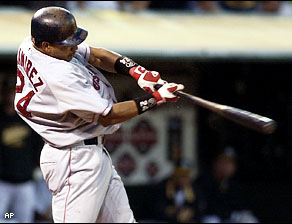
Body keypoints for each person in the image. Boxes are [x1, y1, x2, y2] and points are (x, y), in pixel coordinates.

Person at [14, 6, 184, 223]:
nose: (74, 48)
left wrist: (137, 72)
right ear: (46, 46)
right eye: (67, 44)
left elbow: (96, 55)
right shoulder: (58, 76)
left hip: (90, 153)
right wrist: (155, 99)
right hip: (74, 159)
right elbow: (108, 115)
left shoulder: (31, 43)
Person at [0, 81, 43, 223]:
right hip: (3, 181)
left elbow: (38, 145)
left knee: (25, 219)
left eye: (13, 93)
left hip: (25, 181)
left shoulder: (27, 117)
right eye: (8, 93)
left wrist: (36, 166)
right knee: (4, 217)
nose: (10, 96)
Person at [195, 146, 258, 223]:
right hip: (210, 218)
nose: (228, 166)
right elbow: (205, 208)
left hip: (228, 218)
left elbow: (241, 207)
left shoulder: (233, 183)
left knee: (249, 220)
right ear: (215, 163)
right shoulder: (203, 181)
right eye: (224, 162)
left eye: (231, 163)